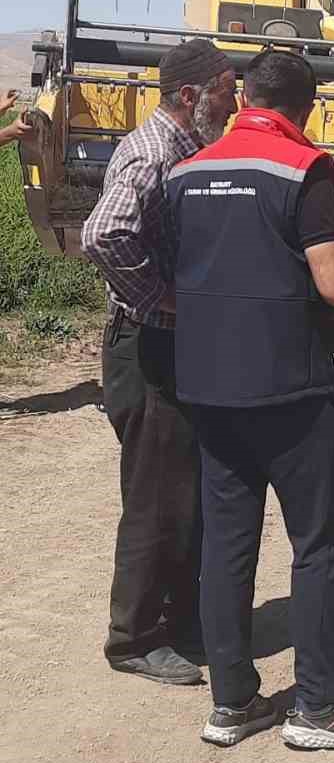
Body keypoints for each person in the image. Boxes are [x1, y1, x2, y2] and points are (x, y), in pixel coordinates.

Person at [168, 48, 334, 750]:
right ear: (307, 106)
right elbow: (330, 285)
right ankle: (321, 708)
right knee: (318, 545)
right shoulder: (305, 168)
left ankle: (232, 703)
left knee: (228, 546)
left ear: (243, 99)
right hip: (290, 390)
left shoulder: (185, 171)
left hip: (208, 386)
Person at [81, 39, 238, 685]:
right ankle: (134, 640)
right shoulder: (151, 152)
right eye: (227, 93)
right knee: (156, 498)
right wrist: (163, 298)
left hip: (169, 343)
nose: (232, 106)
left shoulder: (186, 149)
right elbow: (103, 233)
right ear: (190, 96)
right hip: (145, 346)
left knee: (187, 489)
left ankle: (179, 621)